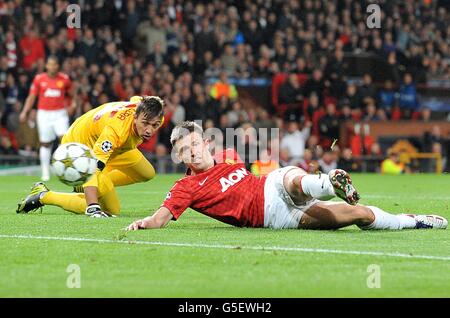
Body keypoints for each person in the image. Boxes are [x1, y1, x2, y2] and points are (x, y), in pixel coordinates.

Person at [127, 121, 447, 231]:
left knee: (290, 178)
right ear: (179, 157)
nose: (192, 153)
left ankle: (326, 181)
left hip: (271, 185)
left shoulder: (229, 157)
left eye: (195, 144)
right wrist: (144, 222)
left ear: (207, 142)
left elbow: (254, 173)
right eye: (184, 151)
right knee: (355, 215)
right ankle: (411, 220)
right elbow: (160, 218)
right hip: (272, 215)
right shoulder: (186, 186)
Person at [17, 96, 165, 217]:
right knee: (111, 210)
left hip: (116, 146)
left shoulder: (150, 112)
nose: (149, 130)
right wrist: (93, 206)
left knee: (147, 173)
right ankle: (43, 195)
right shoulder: (115, 131)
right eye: (145, 123)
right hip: (81, 147)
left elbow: (137, 99)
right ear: (135, 116)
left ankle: (99, 184)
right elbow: (93, 166)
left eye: (155, 125)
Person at [19, 55, 72, 181]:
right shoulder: (39, 79)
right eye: (49, 64)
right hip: (44, 114)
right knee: (45, 143)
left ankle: (61, 168)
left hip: (60, 113)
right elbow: (31, 97)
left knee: (64, 140)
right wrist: (24, 111)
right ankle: (45, 171)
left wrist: (72, 106)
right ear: (46, 66)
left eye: (54, 64)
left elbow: (72, 95)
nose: (52, 66)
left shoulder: (64, 79)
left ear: (57, 66)